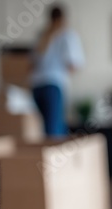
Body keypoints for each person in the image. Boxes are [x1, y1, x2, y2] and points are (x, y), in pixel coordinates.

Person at [30, 5, 84, 138]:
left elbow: (32, 63)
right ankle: (55, 159)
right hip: (53, 85)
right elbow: (74, 64)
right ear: (63, 18)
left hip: (36, 86)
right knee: (55, 130)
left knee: (43, 129)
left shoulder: (41, 35)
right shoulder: (67, 35)